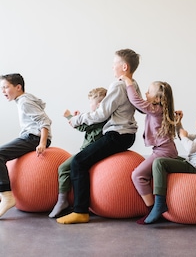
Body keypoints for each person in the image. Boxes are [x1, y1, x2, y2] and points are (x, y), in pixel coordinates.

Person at [56, 48, 140, 224]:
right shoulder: (133, 83)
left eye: (114, 63)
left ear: (124, 66)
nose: (112, 66)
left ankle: (80, 211)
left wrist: (77, 119)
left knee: (78, 162)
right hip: (128, 135)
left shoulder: (117, 85)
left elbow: (101, 113)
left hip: (117, 135)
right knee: (87, 158)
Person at [144, 107, 196, 224]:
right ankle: (159, 201)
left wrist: (184, 136)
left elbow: (190, 147)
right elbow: (186, 137)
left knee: (159, 162)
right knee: (171, 157)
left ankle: (159, 203)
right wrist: (179, 124)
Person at [121, 77, 178, 224]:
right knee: (142, 174)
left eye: (149, 91)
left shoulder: (155, 109)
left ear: (158, 98)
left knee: (137, 175)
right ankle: (154, 208)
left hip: (163, 151)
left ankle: (153, 209)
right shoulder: (162, 110)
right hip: (164, 149)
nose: (145, 93)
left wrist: (129, 82)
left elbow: (136, 101)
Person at [49, 87, 107, 218]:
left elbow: (82, 126)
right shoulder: (100, 117)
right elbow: (84, 125)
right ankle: (65, 199)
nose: (90, 105)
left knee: (64, 168)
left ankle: (62, 200)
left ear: (99, 104)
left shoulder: (98, 117)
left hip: (89, 152)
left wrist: (69, 116)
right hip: (89, 150)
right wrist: (76, 117)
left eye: (91, 103)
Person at [0, 73, 52, 218]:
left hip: (33, 138)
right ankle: (4, 194)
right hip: (30, 136)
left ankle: (6, 196)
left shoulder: (24, 101)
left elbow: (45, 121)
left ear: (18, 87)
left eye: (5, 87)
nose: (3, 91)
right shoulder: (23, 100)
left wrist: (42, 143)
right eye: (1, 88)